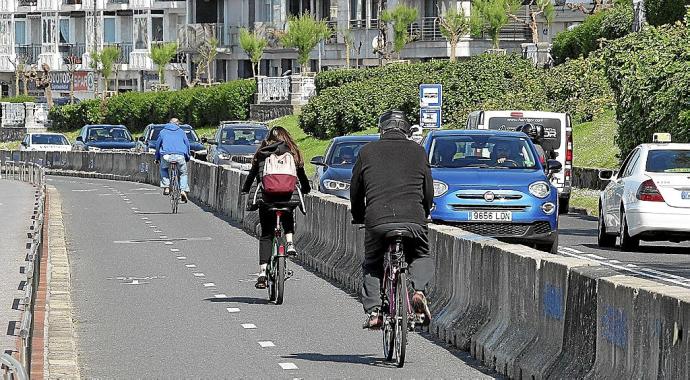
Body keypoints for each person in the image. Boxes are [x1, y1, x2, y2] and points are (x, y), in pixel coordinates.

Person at [350, 110, 434, 329]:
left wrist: (358, 215)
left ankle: (375, 311)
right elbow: (428, 189)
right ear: (406, 130)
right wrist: (423, 213)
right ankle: (418, 291)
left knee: (372, 263)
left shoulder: (367, 151)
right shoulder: (418, 151)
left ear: (381, 129)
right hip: (413, 217)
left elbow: (356, 190)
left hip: (377, 219)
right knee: (421, 253)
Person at [241, 126, 311, 290]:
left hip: (266, 199)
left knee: (266, 234)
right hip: (288, 198)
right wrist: (306, 189)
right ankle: (290, 242)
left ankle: (262, 272)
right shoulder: (293, 153)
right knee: (287, 212)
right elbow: (302, 177)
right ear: (287, 138)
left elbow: (252, 176)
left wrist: (245, 189)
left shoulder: (262, 154)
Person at [155, 118, 191, 203]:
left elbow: (157, 145)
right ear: (177, 124)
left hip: (166, 155)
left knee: (163, 168)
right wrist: (187, 156)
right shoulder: (182, 132)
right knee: (183, 173)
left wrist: (157, 158)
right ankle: (183, 190)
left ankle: (166, 187)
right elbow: (187, 144)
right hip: (180, 155)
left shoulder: (162, 132)